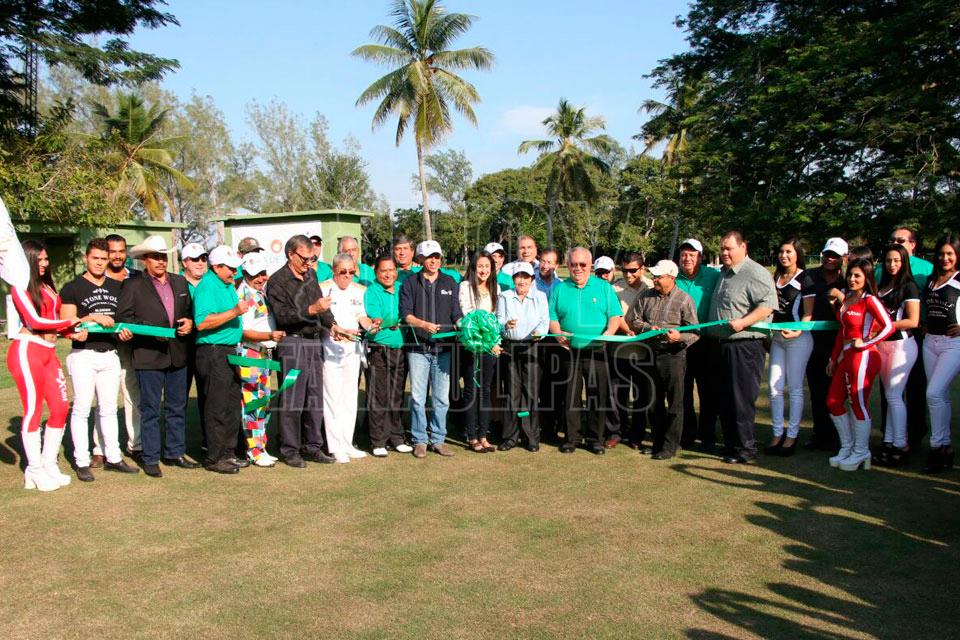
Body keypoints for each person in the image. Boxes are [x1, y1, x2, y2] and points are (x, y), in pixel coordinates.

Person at [116, 235, 198, 478]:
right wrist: (148, 330)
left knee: (176, 407)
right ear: (144, 260)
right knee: (150, 409)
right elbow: (123, 318)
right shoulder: (133, 285)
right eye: (155, 257)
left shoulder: (180, 283)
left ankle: (175, 452)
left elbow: (190, 312)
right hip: (148, 355)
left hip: (177, 354)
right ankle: (151, 458)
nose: (161, 261)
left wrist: (190, 323)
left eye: (163, 257)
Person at [60, 239, 139, 481]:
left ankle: (113, 457)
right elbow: (67, 321)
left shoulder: (118, 288)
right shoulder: (72, 287)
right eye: (95, 258)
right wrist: (91, 317)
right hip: (83, 354)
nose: (99, 263)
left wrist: (126, 333)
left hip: (110, 354)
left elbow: (123, 322)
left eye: (103, 259)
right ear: (86, 258)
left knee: (107, 409)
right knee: (82, 409)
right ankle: (81, 461)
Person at [7, 240, 81, 491]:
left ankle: (49, 464)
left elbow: (55, 320)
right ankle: (35, 469)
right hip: (27, 351)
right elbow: (34, 320)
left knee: (60, 408)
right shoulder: (19, 286)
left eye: (46, 259)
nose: (44, 264)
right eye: (39, 260)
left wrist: (73, 331)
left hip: (49, 353)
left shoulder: (48, 286)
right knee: (34, 411)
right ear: (27, 260)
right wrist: (70, 324)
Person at [707, 231, 778, 465]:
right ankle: (731, 445)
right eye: (722, 249)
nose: (724, 253)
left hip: (745, 345)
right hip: (722, 346)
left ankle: (745, 449)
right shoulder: (724, 273)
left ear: (743, 247)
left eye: (729, 248)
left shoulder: (754, 272)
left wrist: (743, 322)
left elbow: (768, 306)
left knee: (741, 398)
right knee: (726, 398)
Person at [266, 235, 337, 467]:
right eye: (304, 258)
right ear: (290, 254)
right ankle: (290, 449)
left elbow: (322, 306)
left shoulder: (311, 275)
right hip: (293, 343)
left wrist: (333, 325)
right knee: (292, 399)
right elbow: (283, 316)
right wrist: (311, 309)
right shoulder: (277, 281)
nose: (308, 262)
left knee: (314, 397)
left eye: (312, 258)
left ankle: (313, 446)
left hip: (314, 342)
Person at [549, 246, 622, 454]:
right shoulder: (560, 288)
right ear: (568, 265)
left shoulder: (603, 287)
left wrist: (608, 332)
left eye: (582, 264)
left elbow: (615, 316)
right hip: (569, 350)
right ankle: (572, 438)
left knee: (597, 396)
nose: (577, 268)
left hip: (596, 351)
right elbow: (552, 318)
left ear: (590, 266)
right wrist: (558, 334)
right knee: (571, 396)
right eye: (573, 264)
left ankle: (595, 439)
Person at [825, 257, 894, 471]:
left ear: (867, 278)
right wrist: (833, 358)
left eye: (857, 275)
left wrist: (865, 342)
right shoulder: (846, 300)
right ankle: (847, 446)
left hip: (864, 356)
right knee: (833, 402)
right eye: (850, 275)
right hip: (846, 357)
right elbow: (841, 332)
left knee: (858, 403)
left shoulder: (870, 300)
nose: (852, 279)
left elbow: (888, 327)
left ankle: (861, 451)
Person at [627, 260, 699, 459]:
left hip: (674, 356)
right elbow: (633, 319)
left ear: (671, 278)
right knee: (653, 401)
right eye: (654, 276)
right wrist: (649, 328)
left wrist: (679, 337)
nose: (655, 279)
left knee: (675, 402)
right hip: (650, 353)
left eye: (659, 276)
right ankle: (658, 442)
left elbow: (695, 331)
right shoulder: (645, 295)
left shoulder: (684, 299)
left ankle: (670, 445)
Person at [400, 240, 462, 458]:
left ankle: (438, 438)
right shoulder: (409, 283)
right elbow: (406, 315)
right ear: (420, 260)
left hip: (444, 349)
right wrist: (424, 325)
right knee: (418, 397)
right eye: (429, 257)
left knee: (441, 398)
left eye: (436, 256)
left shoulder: (450, 282)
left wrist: (463, 325)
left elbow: (456, 313)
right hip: (417, 348)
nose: (433, 260)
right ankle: (419, 439)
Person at [194, 246, 250, 474]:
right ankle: (214, 457)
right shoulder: (207, 285)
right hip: (213, 351)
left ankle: (228, 453)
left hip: (229, 350)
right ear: (216, 267)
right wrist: (235, 312)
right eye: (230, 269)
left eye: (236, 269)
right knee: (216, 405)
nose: (234, 273)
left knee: (231, 403)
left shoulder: (226, 285)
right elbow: (202, 322)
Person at [320, 253, 379, 463]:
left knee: (349, 397)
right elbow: (320, 318)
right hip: (331, 348)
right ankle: (335, 446)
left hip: (353, 349)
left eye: (351, 272)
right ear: (334, 271)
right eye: (342, 272)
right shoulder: (323, 287)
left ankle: (347, 442)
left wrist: (371, 324)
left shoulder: (359, 290)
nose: (347, 276)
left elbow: (361, 317)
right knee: (332, 398)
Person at [884, 226, 934, 449]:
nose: (897, 242)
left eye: (902, 240)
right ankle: (891, 435)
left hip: (916, 335)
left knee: (915, 387)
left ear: (913, 244)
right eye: (893, 239)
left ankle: (913, 434)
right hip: (887, 339)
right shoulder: (882, 270)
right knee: (890, 390)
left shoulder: (926, 269)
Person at [765, 237, 814, 457]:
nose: (784, 256)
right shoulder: (775, 277)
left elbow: (808, 313)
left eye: (789, 252)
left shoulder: (805, 278)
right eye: (781, 252)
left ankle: (791, 436)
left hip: (798, 340)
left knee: (794, 388)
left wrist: (798, 330)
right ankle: (777, 433)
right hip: (777, 339)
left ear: (797, 254)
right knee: (775, 388)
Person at [872, 244, 920, 467]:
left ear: (904, 262)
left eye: (897, 261)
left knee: (894, 395)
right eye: (889, 260)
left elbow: (913, 321)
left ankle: (901, 444)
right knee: (891, 396)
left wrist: (885, 325)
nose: (892, 265)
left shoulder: (909, 286)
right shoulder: (881, 285)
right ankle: (889, 442)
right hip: (883, 346)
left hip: (902, 346)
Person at [236, 252, 284, 467]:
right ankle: (254, 450)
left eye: (263, 273)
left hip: (263, 354)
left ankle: (260, 446)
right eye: (256, 274)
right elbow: (244, 331)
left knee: (262, 401)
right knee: (253, 403)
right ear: (245, 273)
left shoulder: (260, 292)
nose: (261, 277)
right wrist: (269, 337)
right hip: (251, 352)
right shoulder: (244, 295)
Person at [801, 237, 848, 451]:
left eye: (835, 256)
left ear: (843, 259)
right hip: (813, 343)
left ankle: (839, 436)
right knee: (817, 390)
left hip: (840, 342)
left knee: (837, 392)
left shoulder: (848, 281)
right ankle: (821, 434)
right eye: (828, 254)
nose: (830, 259)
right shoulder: (810, 276)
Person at [674, 238, 721, 452]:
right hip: (680, 342)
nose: (687, 258)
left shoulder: (714, 276)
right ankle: (687, 434)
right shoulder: (673, 277)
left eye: (692, 254)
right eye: (684, 254)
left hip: (706, 341)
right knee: (683, 391)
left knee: (708, 391)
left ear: (700, 257)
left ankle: (708, 434)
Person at [364, 255, 413, 457]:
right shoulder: (372, 291)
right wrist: (388, 320)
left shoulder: (402, 287)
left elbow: (408, 312)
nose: (388, 274)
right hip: (379, 350)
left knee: (397, 395)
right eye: (383, 270)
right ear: (376, 273)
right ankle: (378, 440)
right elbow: (376, 317)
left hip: (401, 349)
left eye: (391, 269)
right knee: (378, 396)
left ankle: (397, 437)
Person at [497, 262, 549, 451]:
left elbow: (544, 321)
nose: (521, 280)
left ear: (532, 279)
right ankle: (510, 437)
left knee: (531, 394)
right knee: (512, 393)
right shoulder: (505, 296)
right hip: (510, 347)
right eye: (518, 276)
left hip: (532, 346)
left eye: (525, 277)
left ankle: (531, 437)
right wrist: (505, 325)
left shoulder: (540, 297)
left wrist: (539, 332)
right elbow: (499, 321)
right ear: (513, 279)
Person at [922, 234, 960, 474]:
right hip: (930, 342)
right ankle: (944, 448)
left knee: (933, 393)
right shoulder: (931, 279)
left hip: (953, 343)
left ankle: (936, 446)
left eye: (950, 254)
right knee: (941, 396)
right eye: (942, 253)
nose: (945, 258)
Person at [102, 233, 141, 462]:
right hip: (102, 346)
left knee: (133, 396)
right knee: (104, 401)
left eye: (121, 251)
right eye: (112, 251)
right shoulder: (94, 278)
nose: (117, 256)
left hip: (130, 345)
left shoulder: (137, 277)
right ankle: (100, 449)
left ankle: (136, 444)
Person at [607, 252, 651, 450]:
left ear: (642, 269)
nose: (628, 274)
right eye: (625, 270)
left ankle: (637, 434)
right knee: (617, 395)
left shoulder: (651, 286)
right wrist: (626, 328)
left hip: (644, 352)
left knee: (642, 396)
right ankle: (616, 432)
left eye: (633, 270)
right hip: (619, 350)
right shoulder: (614, 288)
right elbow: (614, 315)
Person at [458, 250, 502, 453]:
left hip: (490, 348)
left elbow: (495, 319)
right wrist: (487, 342)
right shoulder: (466, 287)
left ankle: (483, 435)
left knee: (485, 391)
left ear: (492, 269)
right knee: (471, 391)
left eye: (487, 266)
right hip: (472, 346)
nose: (483, 270)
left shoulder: (496, 287)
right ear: (474, 267)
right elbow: (469, 319)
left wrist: (495, 340)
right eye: (480, 266)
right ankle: (471, 436)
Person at [181, 241, 209, 453]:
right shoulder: (177, 284)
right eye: (195, 259)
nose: (200, 263)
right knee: (179, 399)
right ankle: (177, 446)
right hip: (182, 348)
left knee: (209, 397)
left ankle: (210, 441)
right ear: (184, 263)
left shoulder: (212, 283)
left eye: (203, 258)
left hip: (207, 349)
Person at [534, 247, 565, 442]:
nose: (545, 265)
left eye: (550, 262)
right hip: (534, 339)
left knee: (551, 385)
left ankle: (550, 429)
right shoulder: (530, 281)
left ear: (557, 265)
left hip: (554, 340)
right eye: (543, 261)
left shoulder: (561, 285)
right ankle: (531, 427)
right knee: (534, 385)